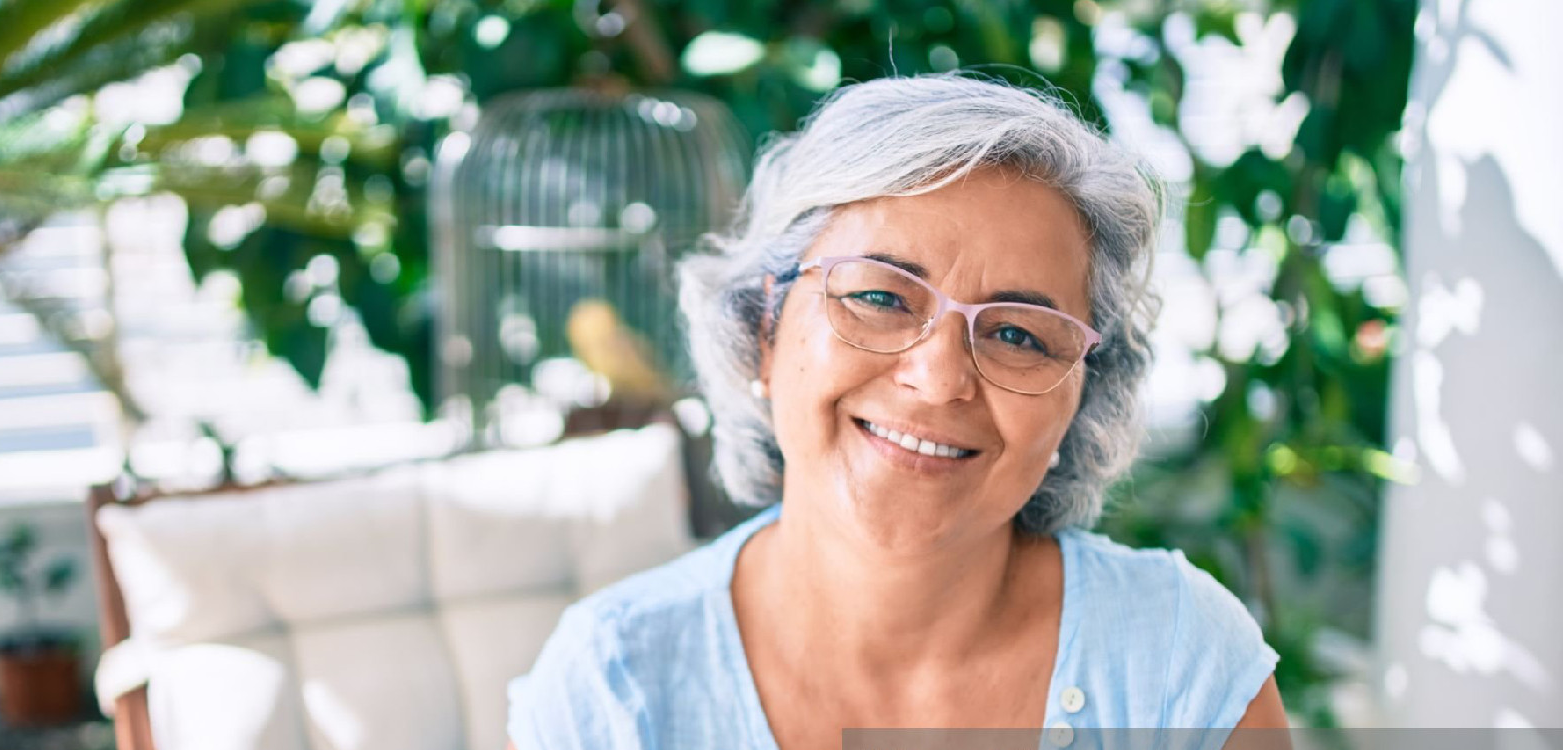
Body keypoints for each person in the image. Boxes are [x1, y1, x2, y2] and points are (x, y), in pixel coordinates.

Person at [506, 73, 1288, 750]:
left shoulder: (1181, 661)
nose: (939, 378)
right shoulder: (613, 685)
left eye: (1018, 333)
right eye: (878, 295)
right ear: (763, 330)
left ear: (1081, 399)